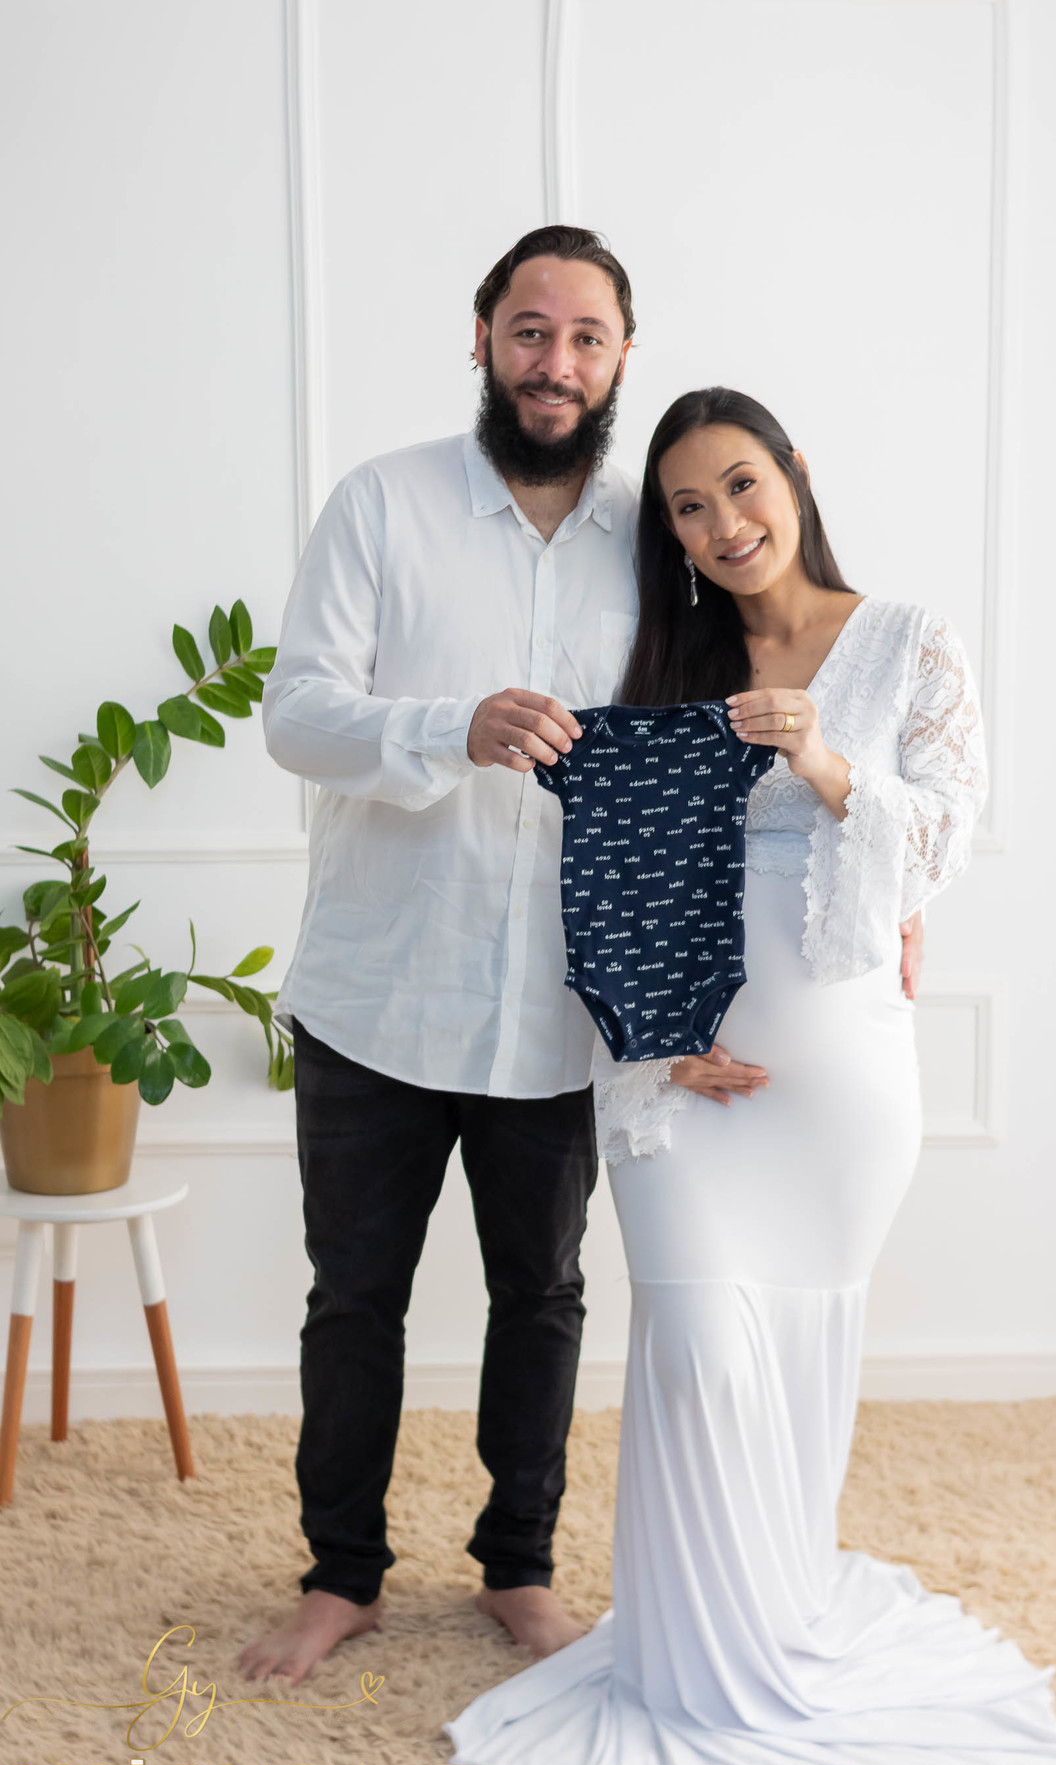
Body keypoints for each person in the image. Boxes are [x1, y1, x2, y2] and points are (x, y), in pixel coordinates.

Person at [238, 228, 922, 1690]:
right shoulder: (380, 503)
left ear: (623, 356)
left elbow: (725, 749)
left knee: (540, 1294)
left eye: (589, 338)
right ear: (480, 334)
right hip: (378, 985)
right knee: (352, 1295)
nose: (558, 364)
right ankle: (338, 1575)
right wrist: (444, 727)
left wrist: (878, 887)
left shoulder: (655, 536)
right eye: (531, 331)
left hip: (568, 1006)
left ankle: (518, 1568)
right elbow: (295, 714)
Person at [446, 389, 1056, 1765]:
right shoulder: (664, 661)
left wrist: (817, 754)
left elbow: (943, 838)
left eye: (741, 485)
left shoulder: (910, 641)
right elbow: (609, 874)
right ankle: (693, 1668)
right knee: (701, 1357)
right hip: (686, 1076)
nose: (725, 524)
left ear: (793, 475)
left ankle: (776, 1623)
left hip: (845, 1080)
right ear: (667, 531)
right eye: (688, 505)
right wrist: (649, 1037)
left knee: (794, 1362)